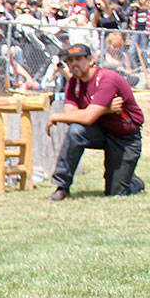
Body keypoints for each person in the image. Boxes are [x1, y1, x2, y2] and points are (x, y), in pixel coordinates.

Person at [46, 43, 144, 199]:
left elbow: (87, 117)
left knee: (116, 193)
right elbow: (71, 116)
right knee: (76, 131)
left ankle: (134, 181)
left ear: (91, 60)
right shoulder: (74, 83)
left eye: (78, 59)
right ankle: (62, 186)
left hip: (124, 138)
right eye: (70, 61)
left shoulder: (107, 79)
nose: (73, 64)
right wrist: (105, 109)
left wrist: (55, 116)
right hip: (100, 131)